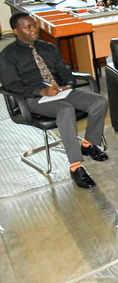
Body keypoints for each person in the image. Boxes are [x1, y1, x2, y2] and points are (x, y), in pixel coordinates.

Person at [0, 13, 108, 189]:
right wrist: (41, 91)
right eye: (28, 27)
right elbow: (12, 85)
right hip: (34, 98)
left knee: (99, 102)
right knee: (65, 109)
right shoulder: (7, 55)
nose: (34, 29)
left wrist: (69, 84)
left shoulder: (48, 48)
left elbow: (64, 70)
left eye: (35, 25)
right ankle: (75, 167)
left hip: (59, 91)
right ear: (16, 31)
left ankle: (88, 144)